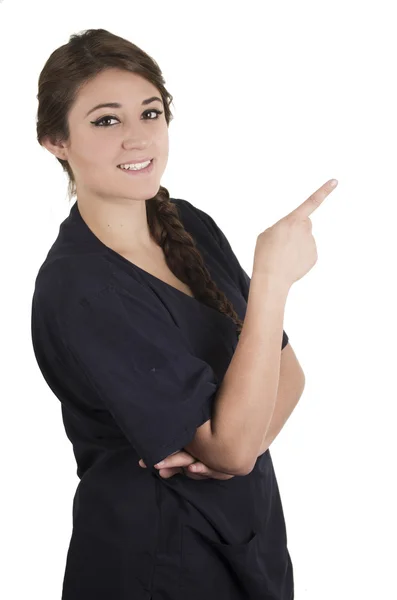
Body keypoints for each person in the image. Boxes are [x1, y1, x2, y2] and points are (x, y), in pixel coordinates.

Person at [32, 27, 336, 600]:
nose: (136, 138)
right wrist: (272, 279)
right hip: (153, 562)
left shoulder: (187, 225)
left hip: (248, 537)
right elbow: (235, 443)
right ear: (55, 140)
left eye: (150, 112)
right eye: (105, 120)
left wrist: (232, 453)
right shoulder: (82, 289)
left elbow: (289, 379)